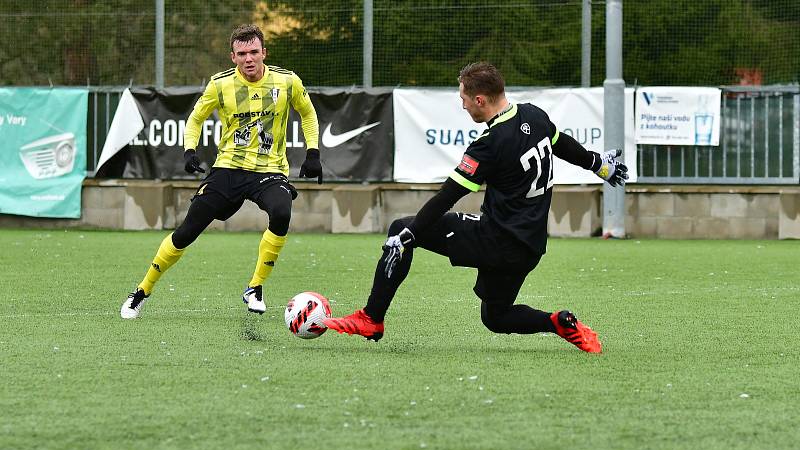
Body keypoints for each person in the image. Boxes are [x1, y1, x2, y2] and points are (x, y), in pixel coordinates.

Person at [324, 62, 627, 353]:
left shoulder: (490, 143)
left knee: (400, 228)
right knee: (496, 317)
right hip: (530, 246)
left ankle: (371, 319)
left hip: (496, 239)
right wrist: (598, 165)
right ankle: (557, 323)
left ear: (480, 99)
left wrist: (409, 235)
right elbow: (562, 143)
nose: (463, 105)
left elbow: (447, 197)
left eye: (464, 99)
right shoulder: (534, 115)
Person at [121, 24, 322, 319]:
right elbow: (195, 118)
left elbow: (308, 113)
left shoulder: (287, 81)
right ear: (233, 57)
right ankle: (141, 291)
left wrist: (313, 152)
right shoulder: (220, 84)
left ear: (264, 52)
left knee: (281, 211)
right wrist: (189, 150)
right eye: (242, 54)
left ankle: (255, 287)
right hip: (228, 168)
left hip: (269, 170)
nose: (249, 59)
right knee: (187, 232)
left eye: (254, 52)